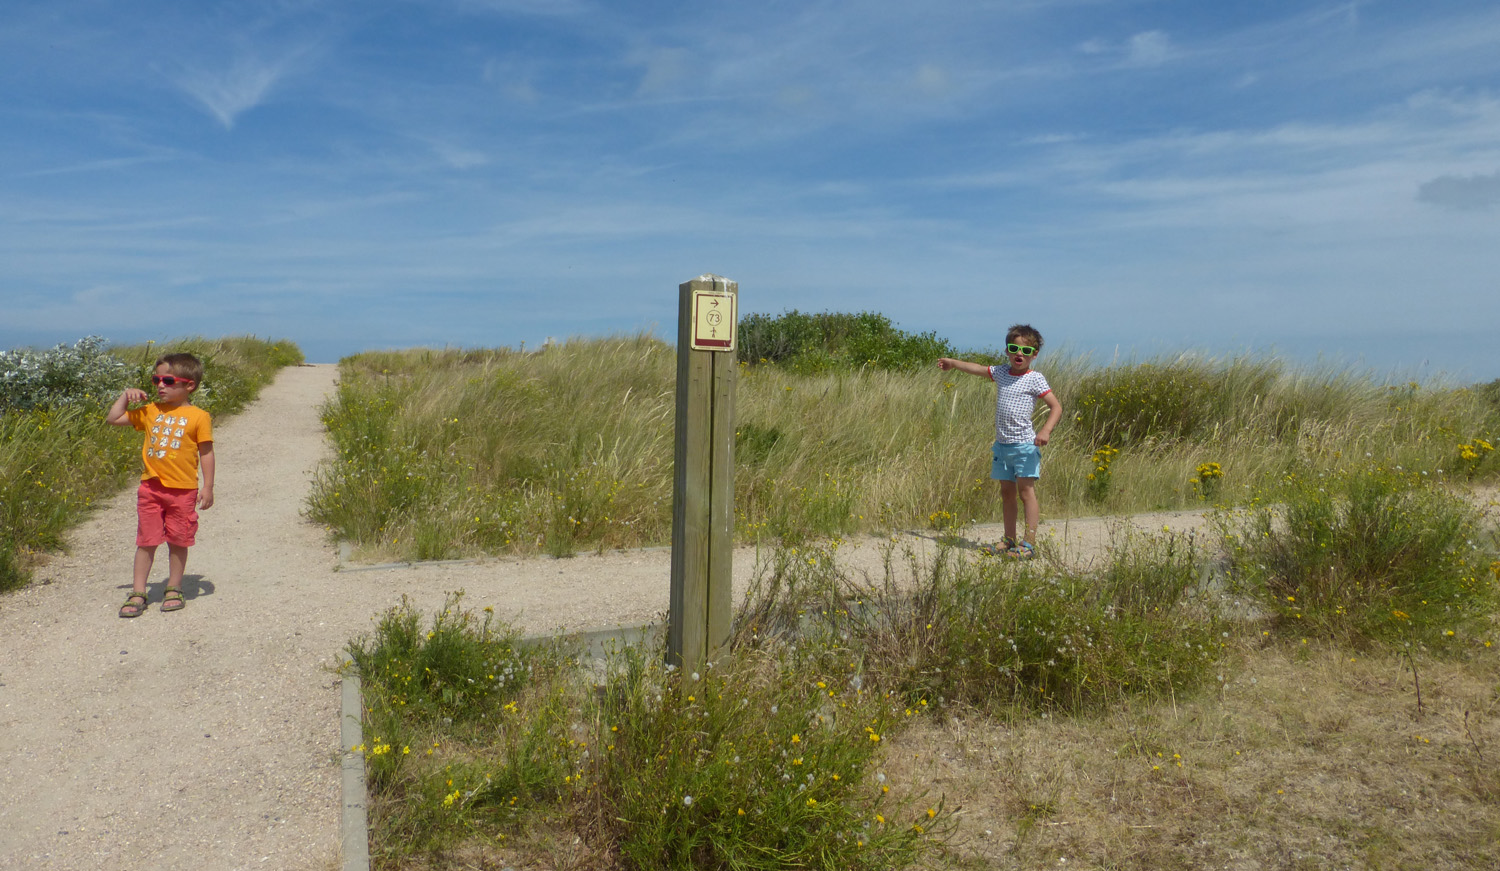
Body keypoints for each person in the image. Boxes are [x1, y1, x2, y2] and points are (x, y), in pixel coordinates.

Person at [937, 324, 1061, 558]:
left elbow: (1056, 406)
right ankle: (1009, 539)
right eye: (1014, 348)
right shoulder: (1002, 372)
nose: (1019, 354)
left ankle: (1029, 543)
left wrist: (1045, 430)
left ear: (1034, 354)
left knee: (1026, 493)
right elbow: (977, 368)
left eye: (1026, 350)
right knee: (1006, 494)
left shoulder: (1035, 379)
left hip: (1025, 446)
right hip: (1002, 446)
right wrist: (953, 363)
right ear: (1007, 350)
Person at [106, 353, 215, 616]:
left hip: (183, 490)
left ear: (189, 385)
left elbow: (206, 452)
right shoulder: (149, 411)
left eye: (168, 380)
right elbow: (114, 419)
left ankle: (174, 587)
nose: (160, 385)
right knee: (147, 540)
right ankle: (138, 591)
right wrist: (125, 396)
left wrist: (208, 486)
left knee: (179, 540)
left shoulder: (199, 416)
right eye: (156, 380)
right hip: (151, 489)